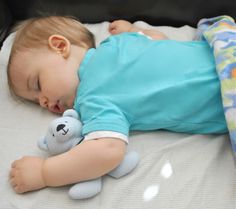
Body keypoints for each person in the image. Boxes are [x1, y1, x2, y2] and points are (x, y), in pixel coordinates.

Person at [8, 16, 227, 194]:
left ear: (60, 46)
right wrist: (131, 30)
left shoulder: (91, 99)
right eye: (35, 102)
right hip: (224, 51)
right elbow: (158, 40)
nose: (42, 101)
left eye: (36, 84)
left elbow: (107, 152)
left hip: (227, 90)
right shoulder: (115, 43)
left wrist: (45, 173)